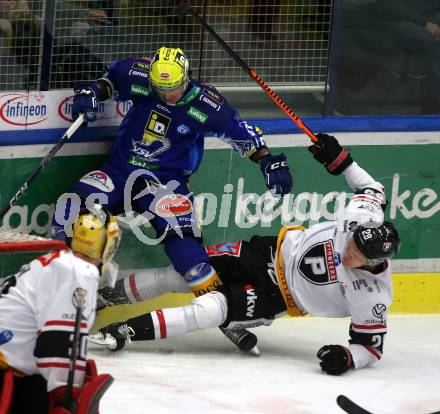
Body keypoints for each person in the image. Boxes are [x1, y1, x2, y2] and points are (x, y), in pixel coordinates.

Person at [90, 133, 401, 375]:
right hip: (267, 251)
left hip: (279, 296)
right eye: (351, 243)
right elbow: (371, 187)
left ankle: (124, 333)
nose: (347, 251)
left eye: (356, 256)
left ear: (375, 263)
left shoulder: (373, 296)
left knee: (209, 310)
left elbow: (371, 349)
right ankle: (106, 297)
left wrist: (347, 358)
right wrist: (341, 161)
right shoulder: (362, 217)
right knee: (186, 275)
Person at [52, 46, 292, 306]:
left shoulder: (208, 104)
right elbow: (109, 81)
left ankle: (225, 308)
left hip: (166, 183)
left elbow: (241, 134)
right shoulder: (138, 74)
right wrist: (92, 92)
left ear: (186, 77)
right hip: (119, 170)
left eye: (173, 88)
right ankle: (64, 293)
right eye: (160, 88)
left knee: (187, 253)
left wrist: (267, 160)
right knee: (69, 208)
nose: (167, 94)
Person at [0, 205, 120, 413]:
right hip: (6, 372)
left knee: (37, 386)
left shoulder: (57, 262)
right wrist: (67, 393)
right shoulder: (78, 271)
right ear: (107, 246)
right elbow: (58, 340)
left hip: (14, 366)